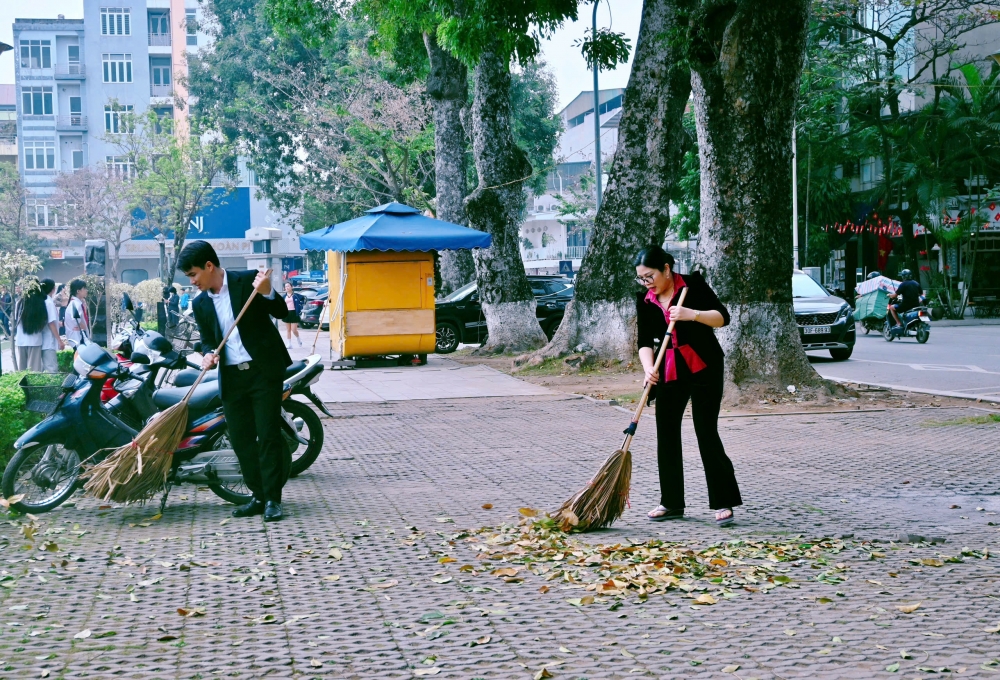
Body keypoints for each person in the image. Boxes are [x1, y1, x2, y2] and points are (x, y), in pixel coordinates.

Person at [179, 240, 292, 522]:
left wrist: (267, 293)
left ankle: (273, 501)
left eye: (193, 274)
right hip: (231, 377)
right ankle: (257, 496)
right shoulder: (200, 302)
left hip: (263, 372)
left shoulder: (248, 282)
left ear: (209, 266)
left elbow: (281, 311)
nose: (192, 282)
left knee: (267, 436)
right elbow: (207, 339)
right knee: (241, 439)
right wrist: (207, 354)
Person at [635, 245, 743, 527]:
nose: (647, 283)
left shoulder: (693, 286)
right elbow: (644, 342)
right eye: (642, 278)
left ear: (667, 270)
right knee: (666, 432)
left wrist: (691, 314)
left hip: (704, 365)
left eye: (650, 276)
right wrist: (648, 368)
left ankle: (723, 501)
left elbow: (722, 318)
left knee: (705, 430)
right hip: (668, 367)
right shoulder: (645, 299)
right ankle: (671, 502)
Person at [14, 280, 47, 372]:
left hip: (21, 339)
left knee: (22, 369)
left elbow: (17, 320)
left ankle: (22, 386)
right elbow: (44, 321)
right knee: (34, 370)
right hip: (35, 340)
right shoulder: (41, 303)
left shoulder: (20, 302)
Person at [39, 279, 64, 372]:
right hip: (49, 341)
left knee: (44, 369)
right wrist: (59, 340)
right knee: (52, 369)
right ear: (53, 289)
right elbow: (51, 323)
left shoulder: (42, 301)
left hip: (43, 341)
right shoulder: (48, 302)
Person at [65, 279, 90, 345]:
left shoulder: (76, 303)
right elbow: (76, 320)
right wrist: (82, 327)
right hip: (78, 339)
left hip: (78, 338)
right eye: (84, 288)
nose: (86, 290)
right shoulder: (75, 304)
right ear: (78, 291)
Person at [282, 282, 304, 348]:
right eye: (286, 286)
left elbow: (303, 299)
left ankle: (298, 339)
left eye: (288, 286)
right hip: (287, 313)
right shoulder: (284, 296)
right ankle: (289, 344)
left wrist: (300, 306)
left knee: (294, 329)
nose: (287, 288)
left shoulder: (296, 295)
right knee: (288, 329)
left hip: (294, 313)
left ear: (291, 287)